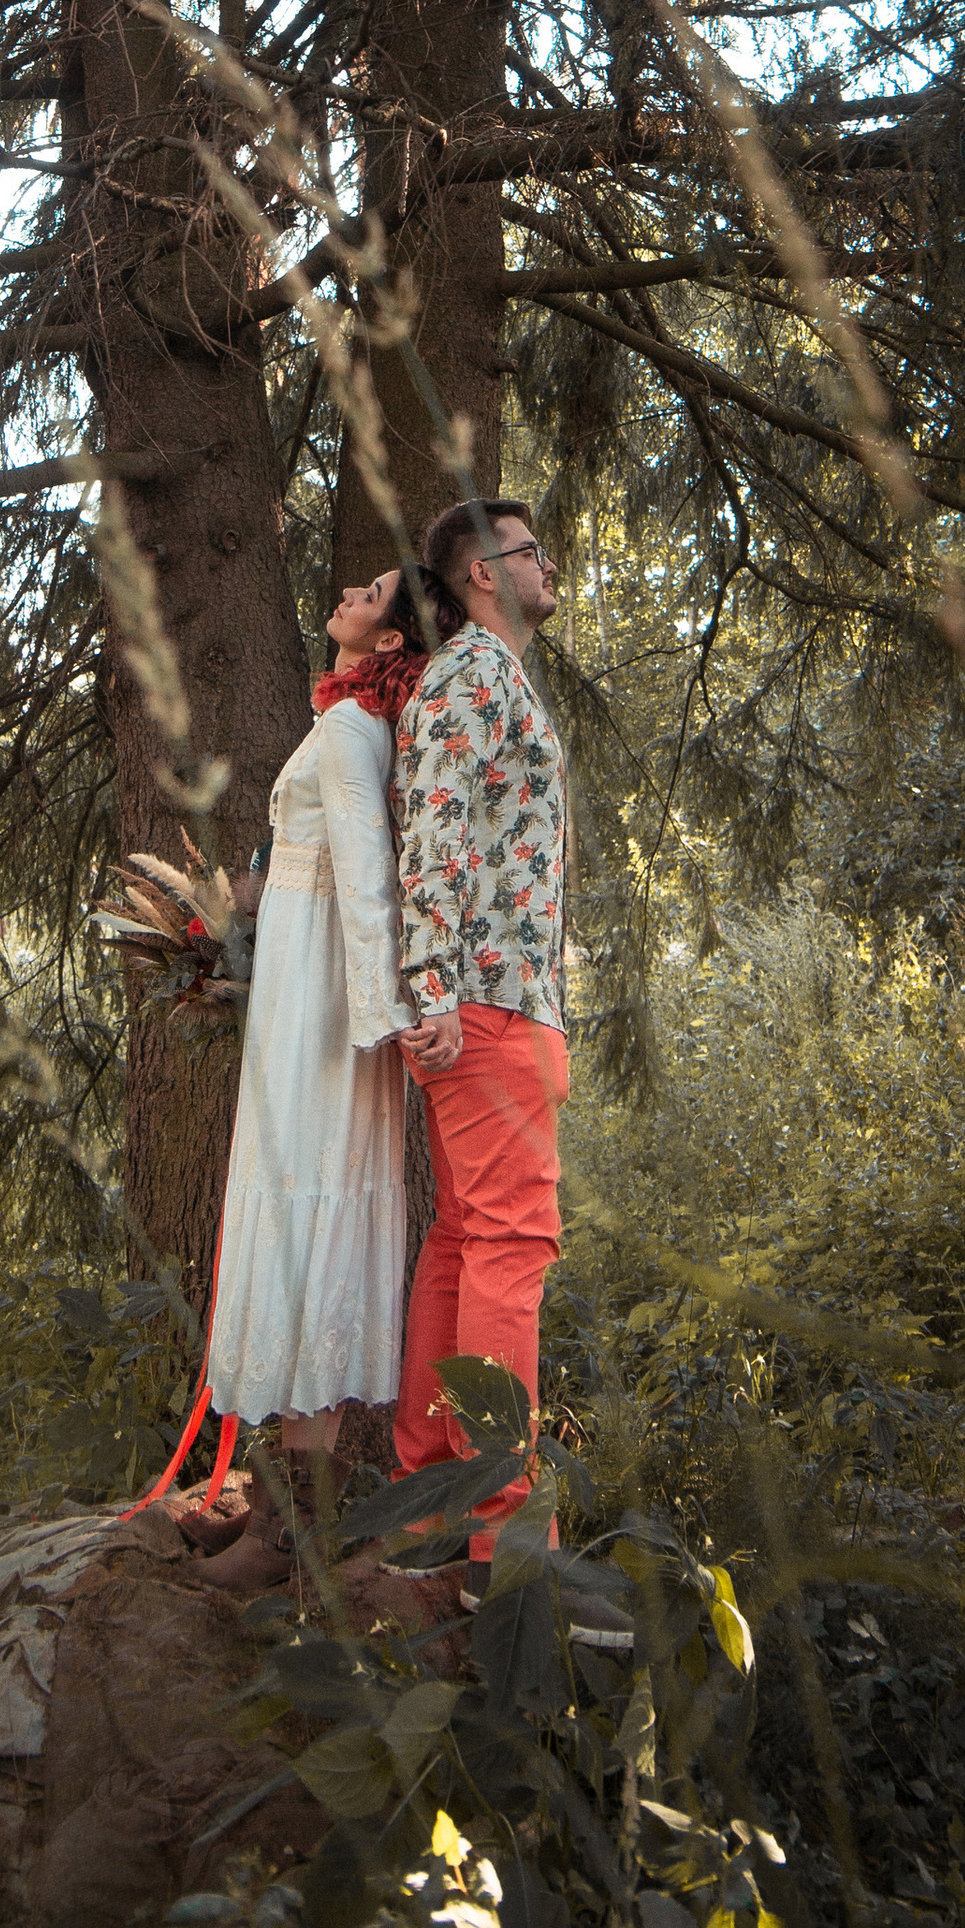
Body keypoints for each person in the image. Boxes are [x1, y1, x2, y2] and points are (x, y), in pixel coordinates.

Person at [191, 563, 446, 1593]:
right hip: (300, 993)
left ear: (387, 643)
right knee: (301, 1222)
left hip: (323, 1019)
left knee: (308, 1227)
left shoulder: (347, 735)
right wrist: (234, 914)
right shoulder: (340, 723)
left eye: (374, 591)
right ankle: (281, 1505)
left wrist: (385, 1021)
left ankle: (291, 1530)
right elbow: (308, 864)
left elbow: (369, 881)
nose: (349, 590)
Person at [387, 493, 569, 1604]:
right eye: (528, 550)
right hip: (488, 1004)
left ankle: (434, 1503)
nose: (547, 563)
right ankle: (507, 1547)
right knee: (511, 1244)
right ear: (481, 576)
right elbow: (434, 820)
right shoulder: (470, 675)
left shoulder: (494, 680)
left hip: (500, 1001)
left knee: (464, 1243)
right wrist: (434, 982)